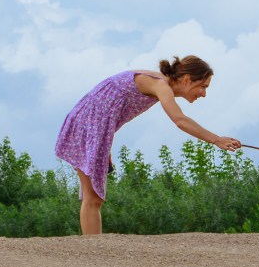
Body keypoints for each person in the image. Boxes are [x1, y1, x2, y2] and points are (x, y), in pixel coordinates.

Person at [55, 55, 241, 234]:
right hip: (88, 126)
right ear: (186, 79)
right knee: (93, 198)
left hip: (91, 126)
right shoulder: (160, 85)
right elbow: (180, 120)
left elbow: (106, 108)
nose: (204, 93)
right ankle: (93, 252)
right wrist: (217, 139)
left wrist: (105, 144)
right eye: (203, 86)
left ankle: (93, 249)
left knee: (94, 198)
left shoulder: (156, 81)